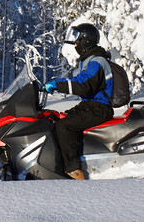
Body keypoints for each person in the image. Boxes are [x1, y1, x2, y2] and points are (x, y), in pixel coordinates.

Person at [43, 23, 117, 180]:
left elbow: (84, 85)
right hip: (92, 105)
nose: (75, 44)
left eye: (78, 40)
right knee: (57, 118)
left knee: (65, 126)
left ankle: (73, 170)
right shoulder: (91, 59)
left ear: (86, 41)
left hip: (99, 107)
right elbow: (81, 80)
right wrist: (57, 84)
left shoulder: (97, 61)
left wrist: (58, 84)